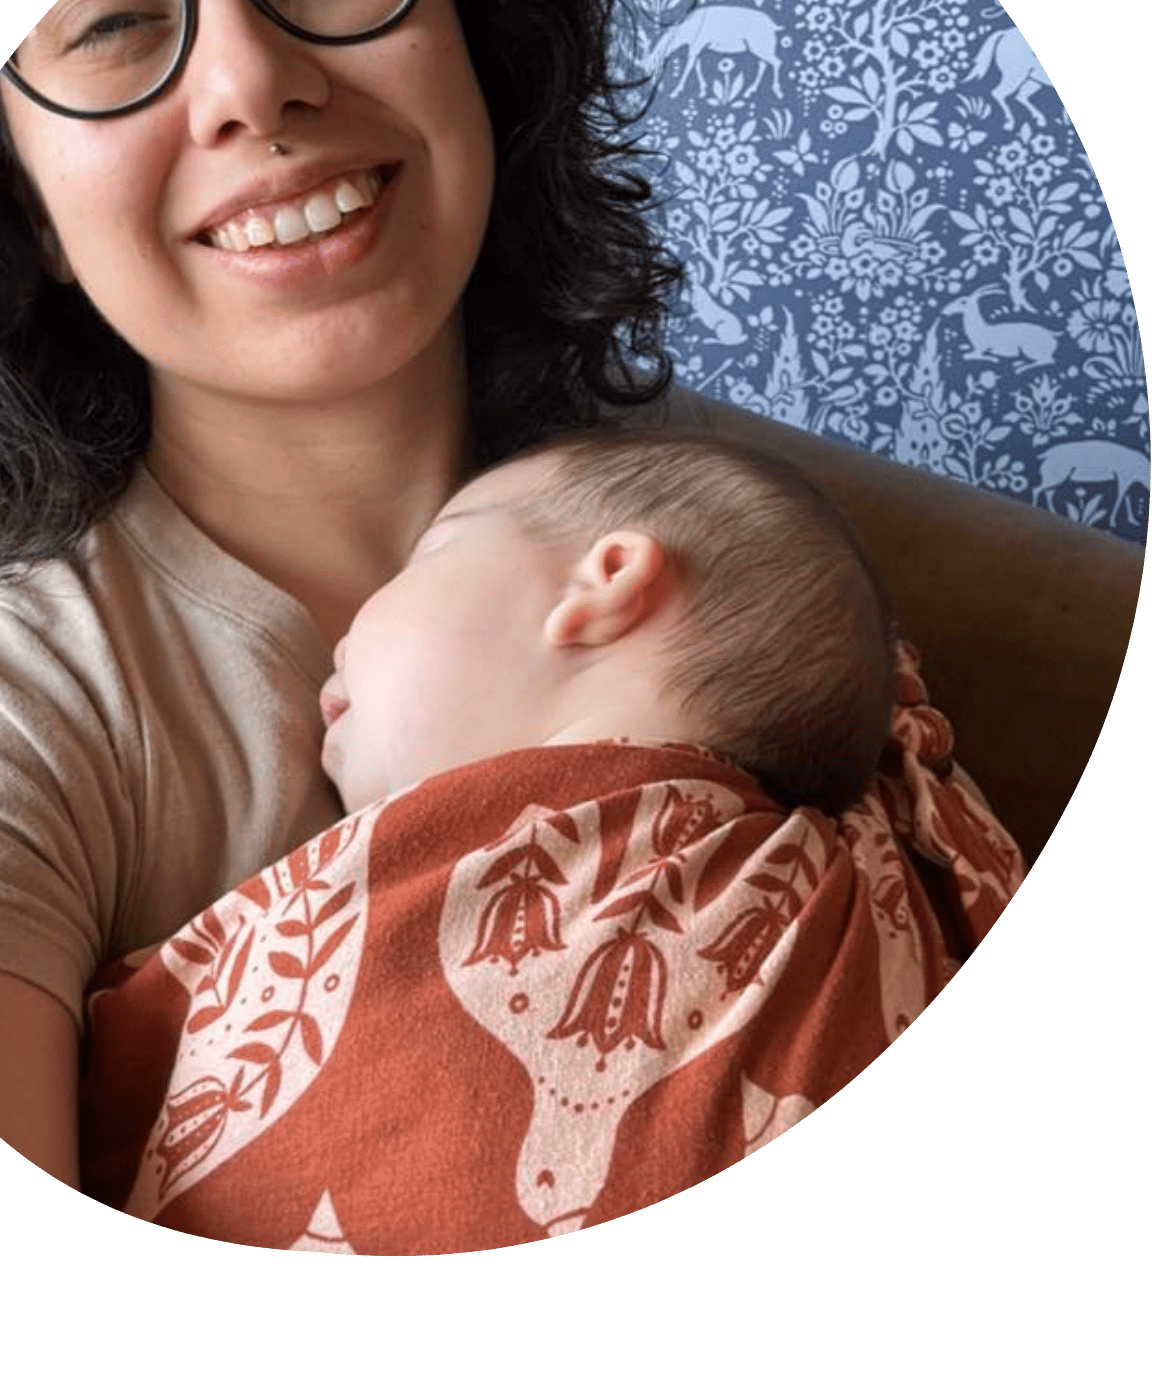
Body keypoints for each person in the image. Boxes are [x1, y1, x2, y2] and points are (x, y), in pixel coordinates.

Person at [0, 0, 1046, 1195]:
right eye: (106, 22)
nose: (250, 84)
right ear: (23, 206)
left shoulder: (756, 593)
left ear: (470, 24)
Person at [77, 427, 1023, 1251]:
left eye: (422, 560)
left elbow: (119, 1099)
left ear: (605, 581)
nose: (343, 626)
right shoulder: (908, 889)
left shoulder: (513, 852)